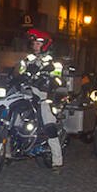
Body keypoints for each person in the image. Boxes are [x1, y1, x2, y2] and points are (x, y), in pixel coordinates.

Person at [17, 28, 63, 169]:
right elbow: (20, 73)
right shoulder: (28, 59)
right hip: (27, 94)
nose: (34, 46)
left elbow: (58, 80)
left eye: (37, 43)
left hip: (44, 96)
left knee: (49, 125)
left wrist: (45, 81)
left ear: (45, 45)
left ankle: (57, 160)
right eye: (33, 43)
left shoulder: (54, 62)